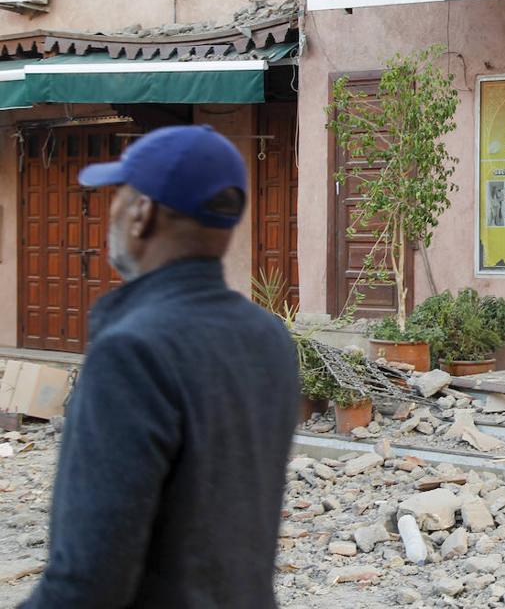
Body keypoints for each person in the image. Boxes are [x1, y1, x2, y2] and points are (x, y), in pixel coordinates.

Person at [22, 125, 299, 609]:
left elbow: (86, 585)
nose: (112, 209)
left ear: (142, 213)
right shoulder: (268, 338)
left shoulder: (132, 351)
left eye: (120, 193)